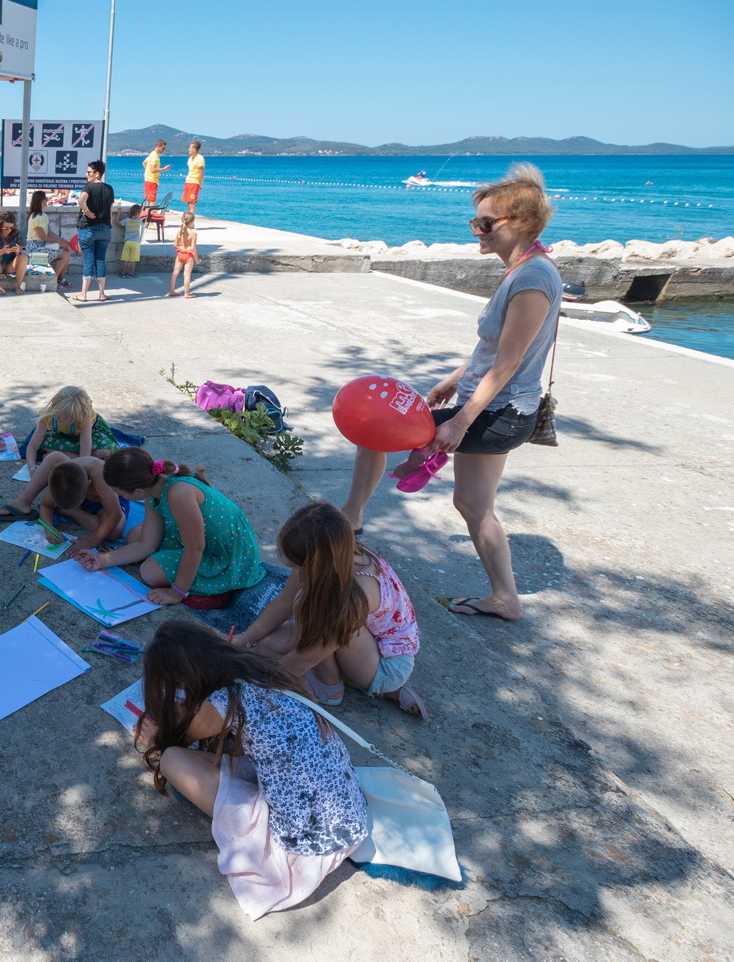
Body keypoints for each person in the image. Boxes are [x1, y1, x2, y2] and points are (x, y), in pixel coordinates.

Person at [339, 164, 562, 622]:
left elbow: (508, 363)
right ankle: (506, 598)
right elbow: (493, 349)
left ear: (519, 223)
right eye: (474, 222)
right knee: (473, 505)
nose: (476, 231)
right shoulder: (524, 270)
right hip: (499, 408)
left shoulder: (532, 279)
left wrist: (460, 423)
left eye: (485, 223)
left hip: (497, 413)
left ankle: (352, 515)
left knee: (376, 430)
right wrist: (452, 380)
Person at [134, 620, 367, 919]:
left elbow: (183, 738)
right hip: (348, 819)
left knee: (172, 759)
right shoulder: (261, 671)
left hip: (303, 849)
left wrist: (156, 738)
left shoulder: (225, 702)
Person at [235, 502, 427, 720]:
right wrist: (243, 639)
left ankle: (331, 690)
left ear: (317, 560)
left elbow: (303, 660)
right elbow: (284, 601)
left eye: (298, 565)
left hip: (386, 664)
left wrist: (251, 690)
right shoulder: (334, 550)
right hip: (365, 640)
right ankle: (360, 682)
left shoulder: (356, 596)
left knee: (309, 607)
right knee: (267, 645)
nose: (293, 569)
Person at [79, 447, 264, 605]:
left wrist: (177, 592)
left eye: (117, 492)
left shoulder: (179, 494)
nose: (115, 495)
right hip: (205, 539)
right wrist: (102, 559)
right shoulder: (154, 489)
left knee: (150, 572)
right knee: (134, 537)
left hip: (228, 554)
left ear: (137, 491)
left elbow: (196, 548)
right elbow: (146, 545)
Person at [0, 452, 127, 556]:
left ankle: (72, 512)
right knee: (54, 457)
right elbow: (45, 505)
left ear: (87, 487)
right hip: (77, 489)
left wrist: (90, 542)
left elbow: (114, 515)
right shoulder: (62, 476)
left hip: (110, 501)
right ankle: (23, 501)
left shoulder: (101, 475)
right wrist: (48, 528)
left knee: (113, 533)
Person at [21, 386, 117, 470]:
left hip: (91, 434)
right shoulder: (48, 415)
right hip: (64, 436)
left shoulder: (84, 413)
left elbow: (85, 441)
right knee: (43, 443)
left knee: (105, 451)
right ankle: (66, 457)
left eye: (71, 420)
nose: (64, 422)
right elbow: (32, 447)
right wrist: (31, 467)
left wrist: (82, 467)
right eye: (59, 418)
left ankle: (60, 457)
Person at [75, 160, 114, 303]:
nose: (86, 175)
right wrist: (109, 225)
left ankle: (83, 294)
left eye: (89, 172)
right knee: (100, 261)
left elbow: (81, 200)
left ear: (97, 174)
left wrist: (87, 211)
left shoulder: (89, 187)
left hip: (89, 228)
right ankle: (102, 294)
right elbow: (110, 210)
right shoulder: (109, 188)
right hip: (105, 228)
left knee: (88, 261)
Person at [25, 191, 72, 290]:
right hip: (35, 248)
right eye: (45, 198)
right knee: (65, 254)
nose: (47, 200)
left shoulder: (43, 216)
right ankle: (54, 280)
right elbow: (43, 236)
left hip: (42, 245)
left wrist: (63, 241)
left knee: (66, 252)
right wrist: (60, 242)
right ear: (41, 201)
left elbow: (49, 233)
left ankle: (60, 278)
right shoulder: (36, 217)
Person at [0, 212, 27, 298]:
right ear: (0, 226)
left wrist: (19, 250)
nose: (9, 230)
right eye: (6, 228)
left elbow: (22, 249)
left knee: (24, 257)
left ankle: (17, 286)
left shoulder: (16, 233)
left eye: (11, 228)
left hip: (9, 265)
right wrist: (2, 251)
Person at [168, 212, 200, 299]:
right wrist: (197, 259)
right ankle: (186, 293)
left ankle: (171, 291)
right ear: (192, 221)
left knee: (175, 273)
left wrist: (181, 248)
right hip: (188, 256)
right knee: (187, 275)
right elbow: (193, 248)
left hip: (180, 254)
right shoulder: (193, 234)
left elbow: (175, 245)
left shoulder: (179, 232)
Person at [117, 204, 144, 277]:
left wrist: (119, 213)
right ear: (138, 214)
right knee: (133, 260)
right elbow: (143, 221)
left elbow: (117, 223)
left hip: (127, 242)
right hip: (135, 243)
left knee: (125, 259)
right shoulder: (139, 221)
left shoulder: (126, 221)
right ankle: (131, 273)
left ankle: (123, 273)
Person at [143, 139, 171, 204]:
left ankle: (148, 213)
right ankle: (151, 213)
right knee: (152, 201)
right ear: (158, 146)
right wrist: (165, 169)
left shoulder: (152, 154)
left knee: (149, 200)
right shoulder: (155, 156)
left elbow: (144, 163)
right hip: (152, 180)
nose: (163, 150)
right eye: (162, 148)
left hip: (148, 179)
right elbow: (153, 170)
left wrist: (148, 172)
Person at [184, 140, 205, 219]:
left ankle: (191, 222)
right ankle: (189, 220)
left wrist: (200, 184)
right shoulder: (190, 159)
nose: (189, 149)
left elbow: (201, 173)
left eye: (190, 148)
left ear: (194, 149)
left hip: (194, 182)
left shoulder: (200, 158)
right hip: (188, 181)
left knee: (192, 203)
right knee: (188, 202)